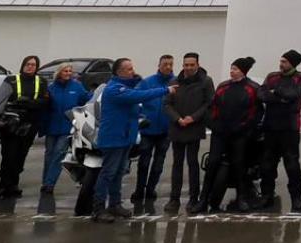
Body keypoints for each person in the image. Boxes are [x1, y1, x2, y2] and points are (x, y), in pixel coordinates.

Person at [92, 57, 170, 222]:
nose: (133, 71)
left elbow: (135, 107)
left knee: (118, 173)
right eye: (129, 69)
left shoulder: (126, 87)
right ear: (119, 72)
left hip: (125, 137)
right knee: (108, 173)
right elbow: (139, 96)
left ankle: (114, 204)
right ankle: (98, 209)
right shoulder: (115, 89)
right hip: (113, 138)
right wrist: (165, 90)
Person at [196, 57, 262, 214]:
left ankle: (241, 198)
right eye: (231, 68)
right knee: (212, 163)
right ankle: (203, 199)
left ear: (243, 71)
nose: (232, 71)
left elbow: (256, 112)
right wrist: (213, 124)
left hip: (239, 134)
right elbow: (212, 106)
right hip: (220, 133)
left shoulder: (252, 88)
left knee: (239, 165)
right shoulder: (223, 86)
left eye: (235, 69)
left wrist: (244, 127)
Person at [0, 54, 50, 201]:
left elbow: (44, 102)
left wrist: (27, 102)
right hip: (11, 123)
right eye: (28, 64)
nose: (30, 67)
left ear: (37, 67)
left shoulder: (41, 82)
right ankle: (2, 187)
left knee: (20, 156)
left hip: (30, 124)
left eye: (33, 65)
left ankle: (13, 185)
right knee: (8, 156)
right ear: (23, 65)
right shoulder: (11, 80)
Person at [259, 49, 301, 213]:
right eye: (281, 61)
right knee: (267, 164)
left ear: (292, 63)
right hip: (270, 126)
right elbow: (262, 94)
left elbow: (295, 94)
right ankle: (267, 195)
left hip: (290, 128)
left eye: (284, 61)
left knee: (292, 165)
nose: (281, 64)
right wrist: (281, 97)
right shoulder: (272, 76)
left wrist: (276, 92)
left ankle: (296, 197)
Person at [164, 51, 214, 212]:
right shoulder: (174, 81)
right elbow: (167, 104)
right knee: (177, 163)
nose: (189, 68)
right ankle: (174, 199)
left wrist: (193, 117)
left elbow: (209, 103)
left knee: (193, 163)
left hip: (194, 127)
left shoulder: (206, 81)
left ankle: (193, 198)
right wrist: (177, 118)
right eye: (186, 65)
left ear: (198, 65)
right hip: (177, 127)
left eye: (192, 65)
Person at [130, 54, 175, 205]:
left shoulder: (176, 83)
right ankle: (139, 190)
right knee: (143, 162)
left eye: (170, 64)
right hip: (147, 130)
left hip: (165, 131)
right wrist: (140, 117)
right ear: (159, 65)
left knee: (158, 164)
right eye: (165, 64)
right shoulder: (147, 82)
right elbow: (136, 100)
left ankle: (151, 189)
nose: (168, 67)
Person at [39, 62, 89, 196]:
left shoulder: (77, 87)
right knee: (49, 155)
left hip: (68, 127)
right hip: (52, 126)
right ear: (59, 72)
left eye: (70, 71)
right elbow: (45, 106)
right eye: (65, 71)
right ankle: (45, 182)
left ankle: (50, 183)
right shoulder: (51, 88)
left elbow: (86, 99)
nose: (68, 73)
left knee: (58, 154)